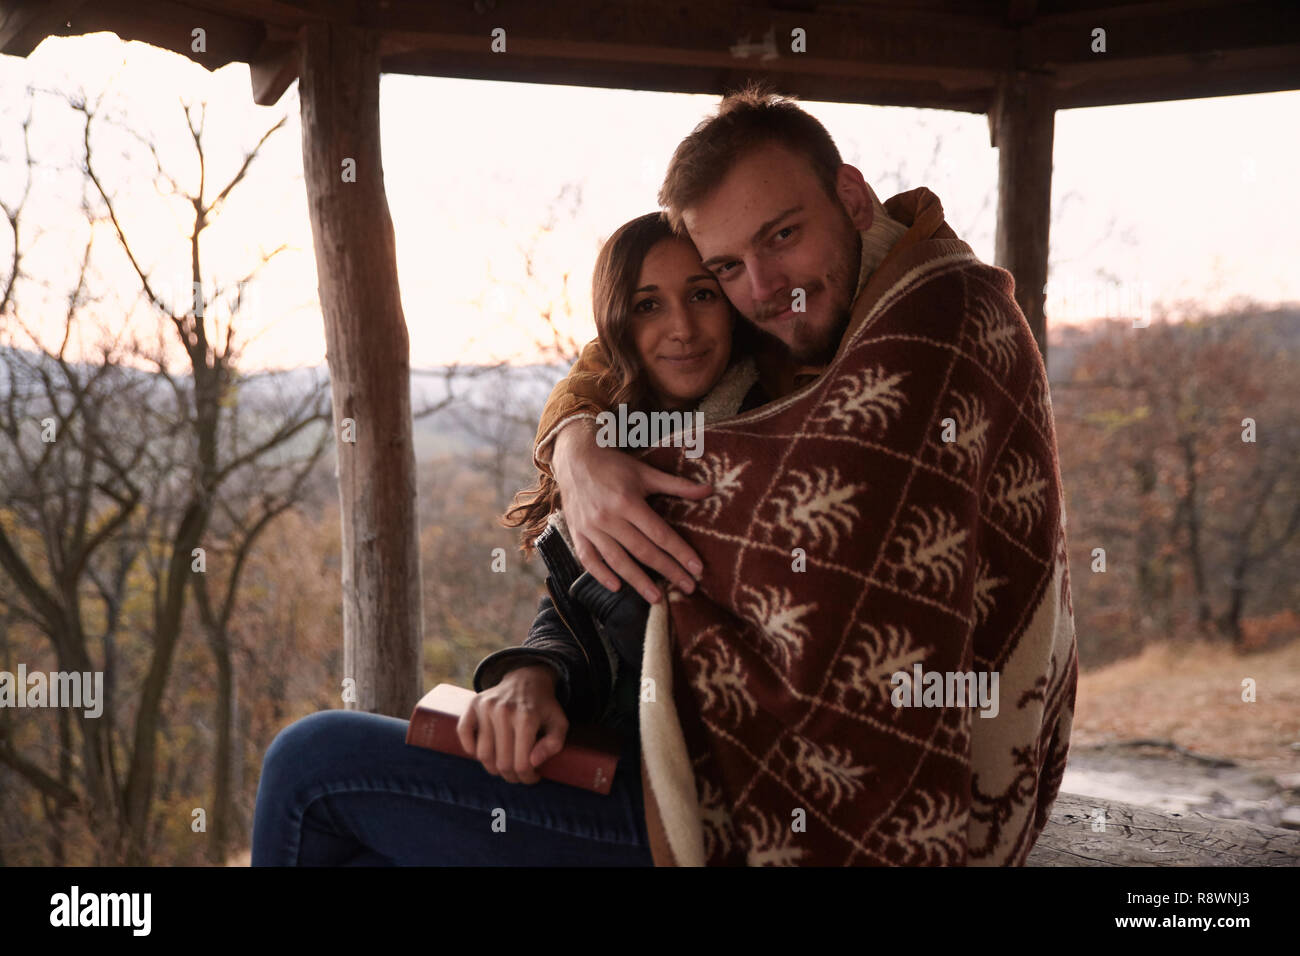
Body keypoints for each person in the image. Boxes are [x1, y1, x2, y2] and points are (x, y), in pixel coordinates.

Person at [530, 81, 1078, 866]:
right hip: (682, 730)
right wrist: (578, 445)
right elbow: (615, 356)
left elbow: (822, 517)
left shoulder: (942, 314)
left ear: (852, 195)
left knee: (323, 770)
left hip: (941, 781)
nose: (762, 286)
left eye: (782, 234)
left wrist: (616, 472)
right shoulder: (796, 317)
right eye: (728, 266)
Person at [250, 212, 755, 865]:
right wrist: (530, 677)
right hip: (610, 767)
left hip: (695, 807)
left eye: (703, 294)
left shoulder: (756, 437)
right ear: (616, 328)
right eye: (647, 305)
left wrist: (576, 438)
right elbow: (578, 613)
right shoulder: (629, 439)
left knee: (310, 763)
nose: (681, 326)